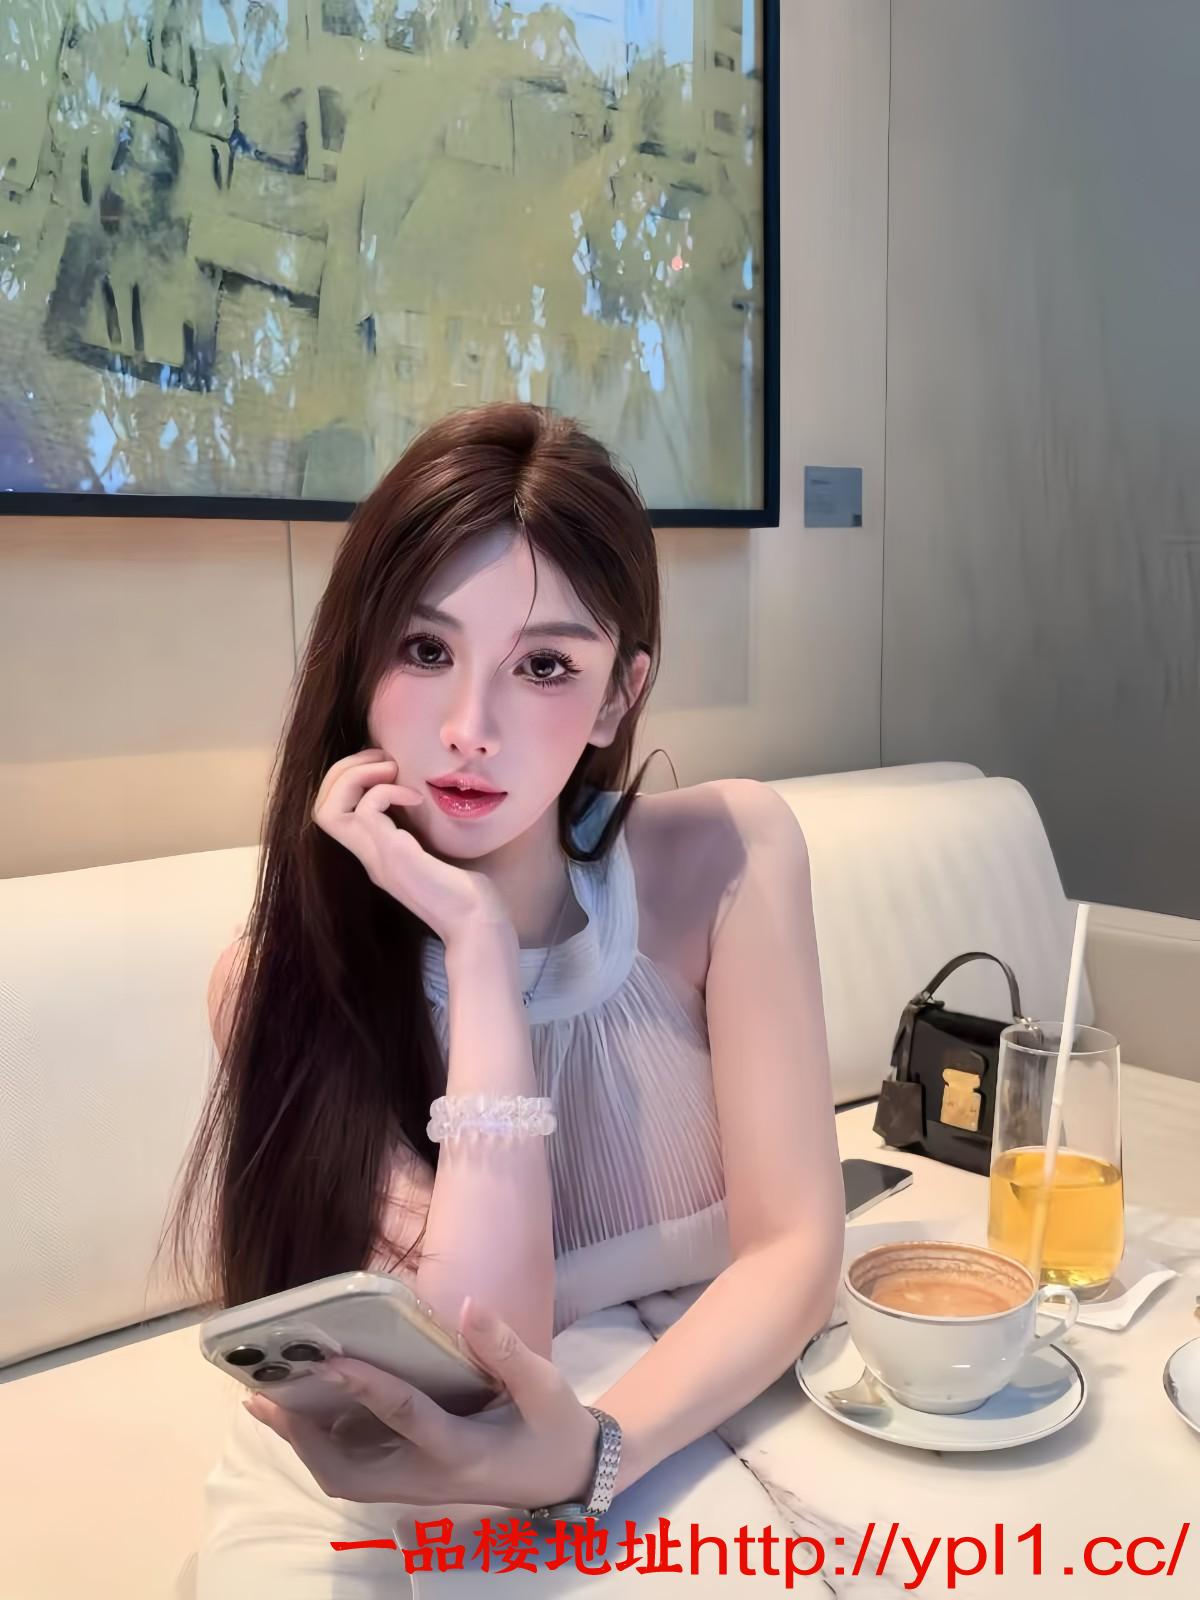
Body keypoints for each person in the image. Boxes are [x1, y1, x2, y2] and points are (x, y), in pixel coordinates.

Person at [161, 401, 844, 1596]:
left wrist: (596, 1452)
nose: (469, 730)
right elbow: (484, 1346)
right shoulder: (280, 982)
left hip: (675, 1419)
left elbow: (795, 1245)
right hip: (408, 1462)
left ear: (619, 696)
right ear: (357, 665)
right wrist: (475, 946)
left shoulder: (725, 857)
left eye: (544, 667)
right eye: (425, 651)